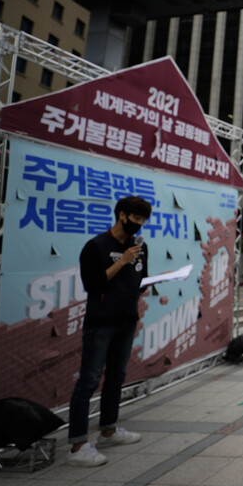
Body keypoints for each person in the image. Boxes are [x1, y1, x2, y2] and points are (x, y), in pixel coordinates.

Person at [67, 196, 151, 467]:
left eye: (143, 221)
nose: (138, 225)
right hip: (101, 321)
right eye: (135, 218)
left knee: (117, 376)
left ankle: (109, 430)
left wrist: (151, 282)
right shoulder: (96, 246)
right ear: (122, 215)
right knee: (89, 379)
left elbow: (140, 279)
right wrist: (123, 260)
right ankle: (78, 444)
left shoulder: (140, 247)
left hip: (127, 319)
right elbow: (93, 285)